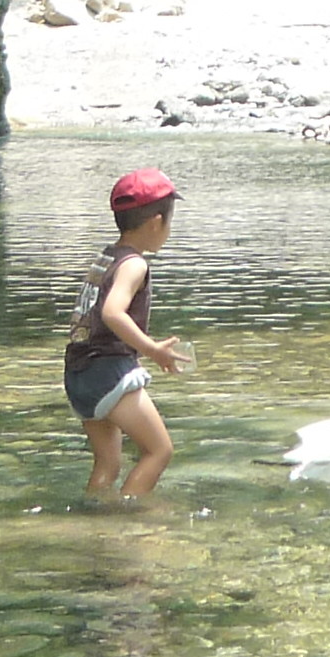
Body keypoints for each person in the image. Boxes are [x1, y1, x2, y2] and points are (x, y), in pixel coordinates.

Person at [65, 167, 192, 500]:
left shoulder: (106, 257)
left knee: (108, 463)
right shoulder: (135, 264)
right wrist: (153, 350)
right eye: (169, 222)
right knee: (159, 451)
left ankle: (94, 516)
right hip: (108, 373)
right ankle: (129, 517)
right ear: (155, 224)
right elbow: (112, 313)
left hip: (78, 374)